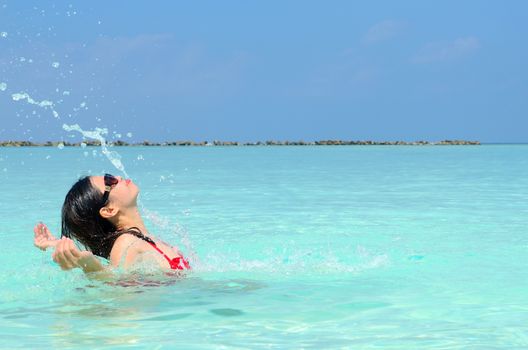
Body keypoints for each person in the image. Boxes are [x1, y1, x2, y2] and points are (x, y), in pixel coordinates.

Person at [33, 174, 190, 275]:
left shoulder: (139, 239)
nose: (118, 177)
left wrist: (55, 243)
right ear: (109, 210)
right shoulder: (127, 242)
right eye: (110, 181)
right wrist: (92, 269)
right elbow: (118, 291)